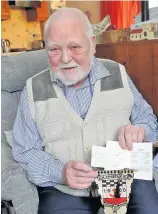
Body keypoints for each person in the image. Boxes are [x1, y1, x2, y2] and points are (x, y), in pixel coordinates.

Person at [12, 8, 158, 214]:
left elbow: (148, 120)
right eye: (54, 49)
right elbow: (24, 150)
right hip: (64, 189)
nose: (65, 58)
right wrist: (60, 172)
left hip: (125, 178)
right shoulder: (33, 89)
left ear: (93, 44)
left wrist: (141, 129)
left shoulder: (118, 73)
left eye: (75, 47)